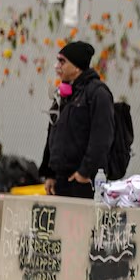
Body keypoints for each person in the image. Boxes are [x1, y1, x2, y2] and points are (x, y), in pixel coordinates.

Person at [39, 41, 115, 199]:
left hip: (83, 182)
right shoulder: (63, 95)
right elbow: (52, 134)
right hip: (61, 180)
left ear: (76, 67)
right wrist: (50, 173)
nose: (57, 66)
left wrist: (85, 172)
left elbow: (102, 137)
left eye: (62, 62)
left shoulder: (97, 93)